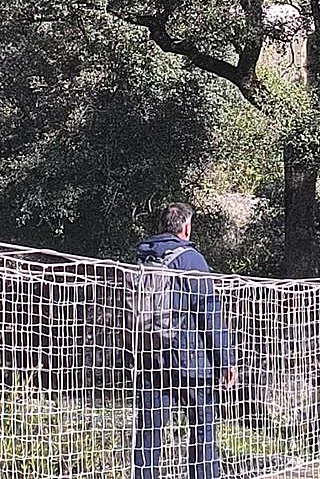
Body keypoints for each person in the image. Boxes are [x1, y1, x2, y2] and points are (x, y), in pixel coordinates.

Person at [132, 202, 237, 479]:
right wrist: (226, 360)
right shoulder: (191, 259)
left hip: (150, 355)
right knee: (203, 427)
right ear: (186, 227)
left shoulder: (143, 258)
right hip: (189, 360)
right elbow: (208, 312)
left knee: (149, 430)